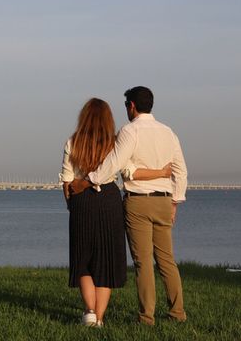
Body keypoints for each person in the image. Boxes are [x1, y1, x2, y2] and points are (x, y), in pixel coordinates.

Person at [71, 86, 188, 326]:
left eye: (126, 105)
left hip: (138, 202)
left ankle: (147, 317)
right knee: (167, 259)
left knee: (143, 261)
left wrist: (88, 180)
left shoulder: (129, 131)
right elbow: (181, 171)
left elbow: (115, 163)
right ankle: (177, 312)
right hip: (165, 199)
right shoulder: (169, 132)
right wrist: (175, 200)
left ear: (132, 105)